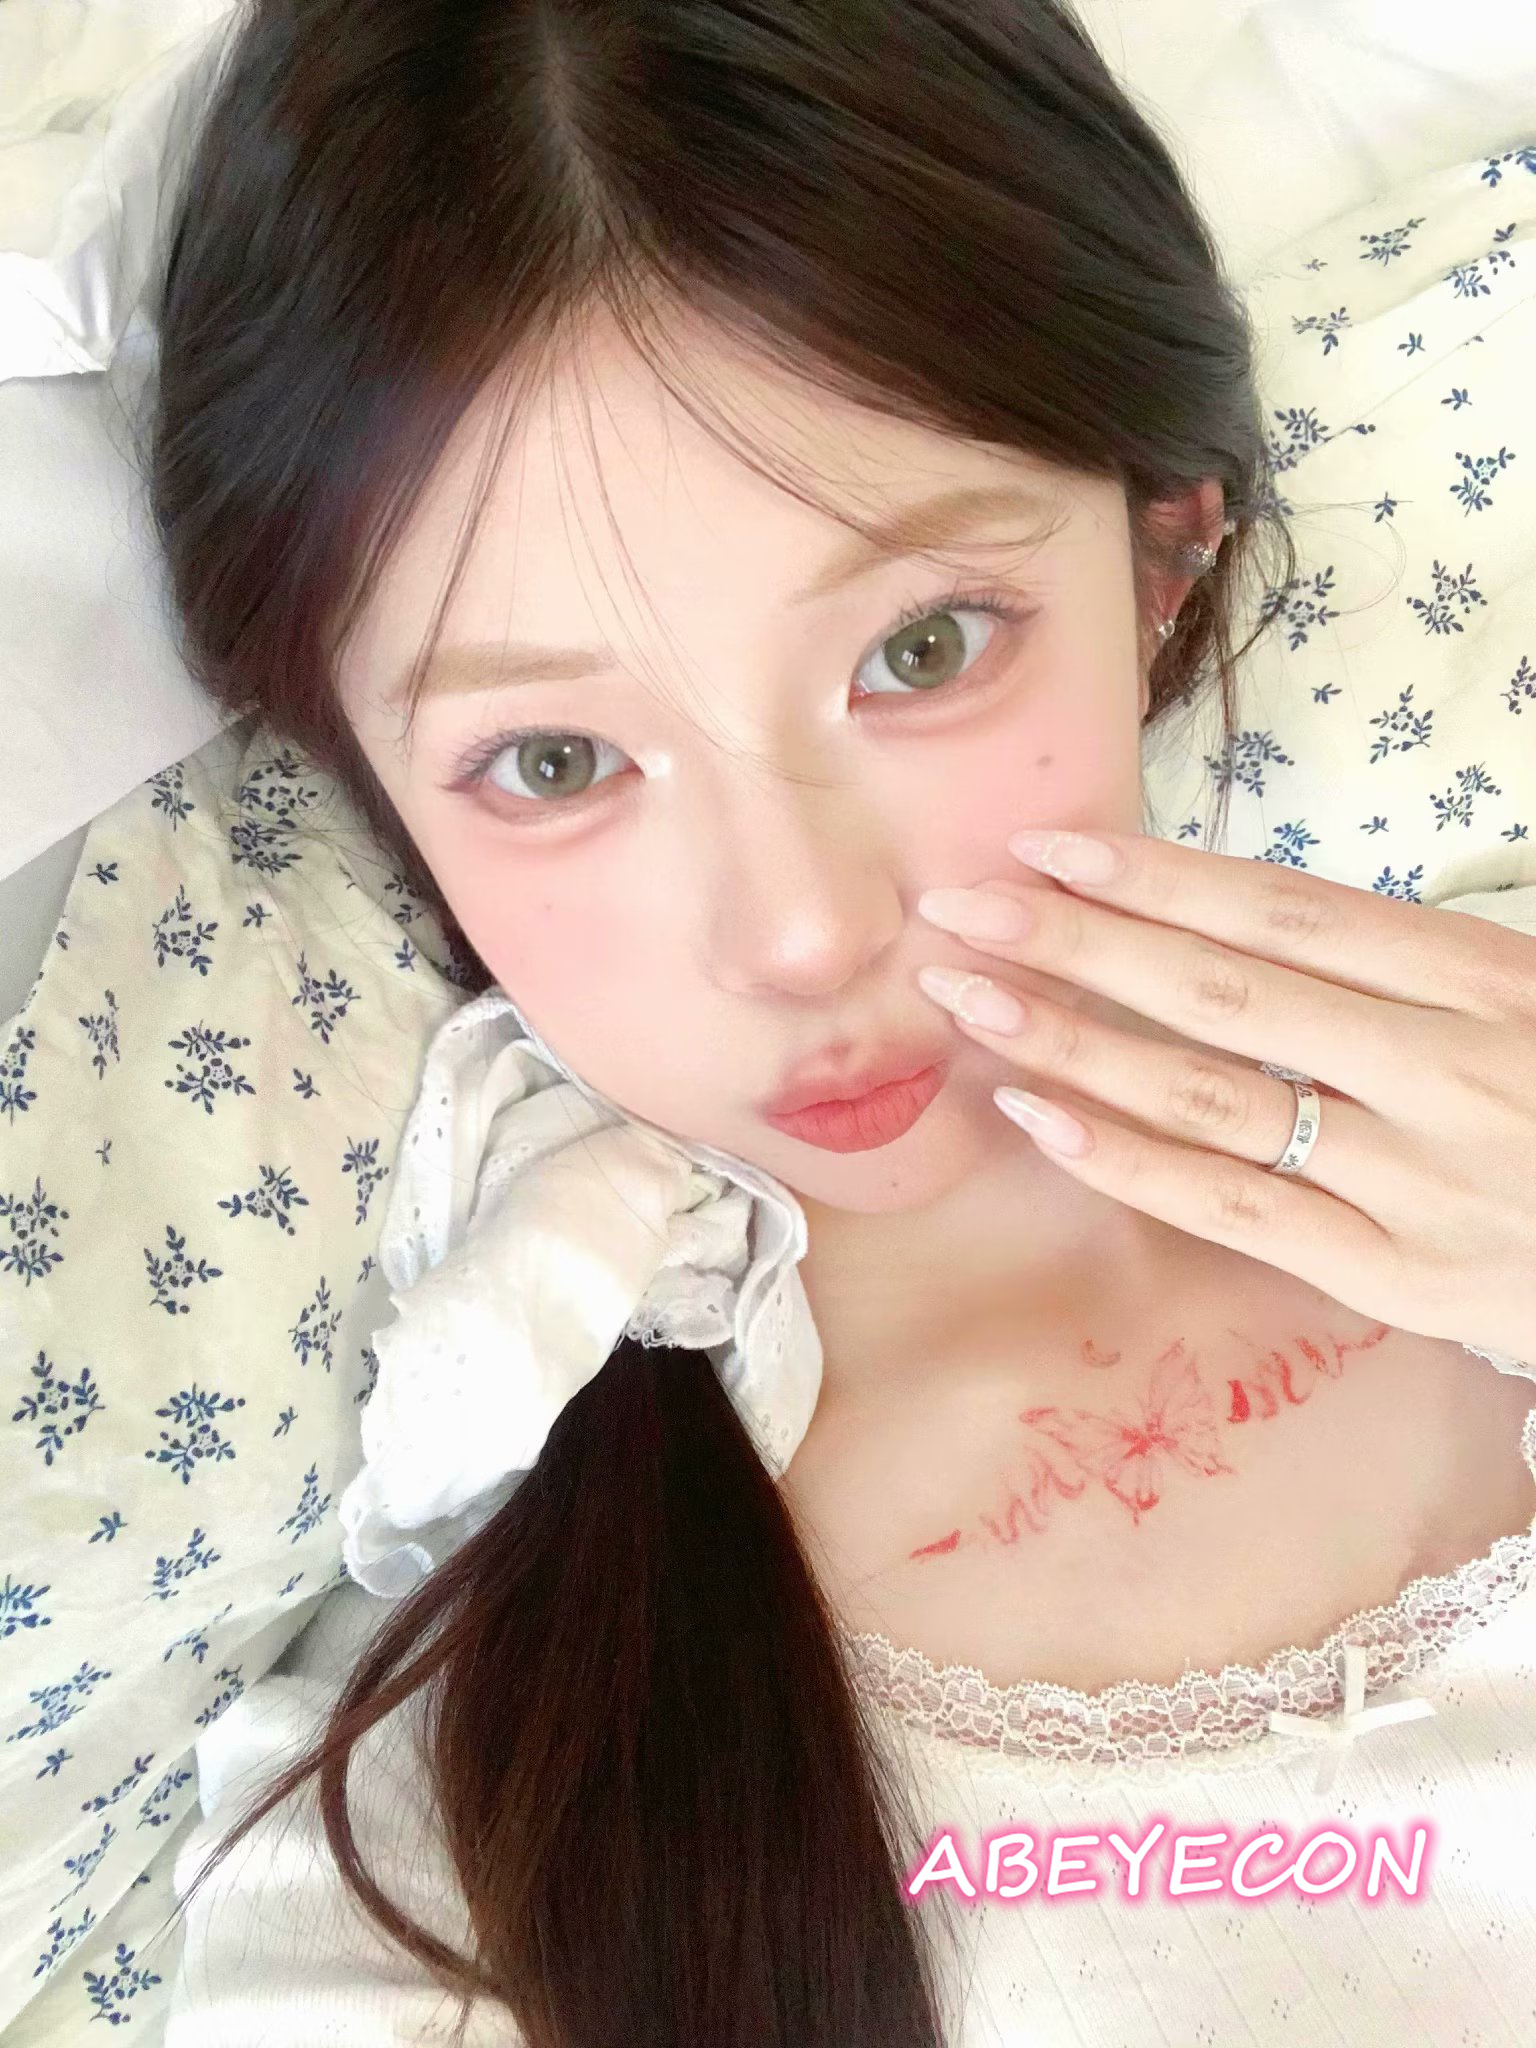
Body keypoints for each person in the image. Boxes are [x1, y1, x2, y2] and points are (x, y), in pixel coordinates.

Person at [141, 0, 1536, 2042]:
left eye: (924, 647)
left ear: (1165, 549)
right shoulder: (451, 1859)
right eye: (552, 763)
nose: (801, 930)